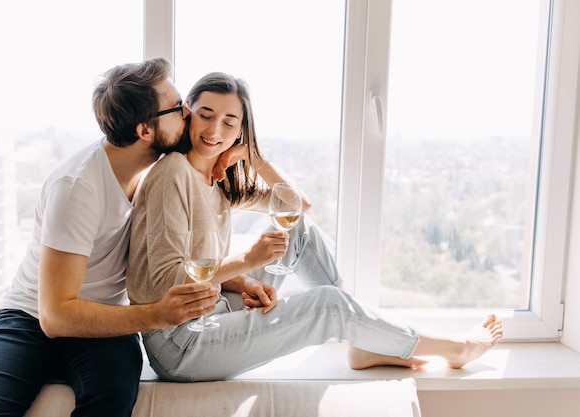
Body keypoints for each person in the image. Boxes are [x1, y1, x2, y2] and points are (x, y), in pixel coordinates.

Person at [126, 72, 504, 383]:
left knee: (295, 231)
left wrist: (253, 158)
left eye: (229, 121)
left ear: (242, 129)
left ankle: (366, 340)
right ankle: (455, 349)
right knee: (328, 307)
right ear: (188, 114)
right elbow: (166, 284)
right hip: (183, 343)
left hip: (215, 310)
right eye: (206, 115)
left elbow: (297, 206)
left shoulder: (218, 176)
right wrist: (246, 262)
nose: (214, 129)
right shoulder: (173, 174)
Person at [0, 58, 220, 417]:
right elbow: (55, 316)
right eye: (178, 108)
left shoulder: (159, 172)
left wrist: (240, 277)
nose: (188, 114)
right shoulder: (78, 187)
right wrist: (155, 315)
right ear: (144, 131)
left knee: (111, 399)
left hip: (103, 324)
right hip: (31, 317)